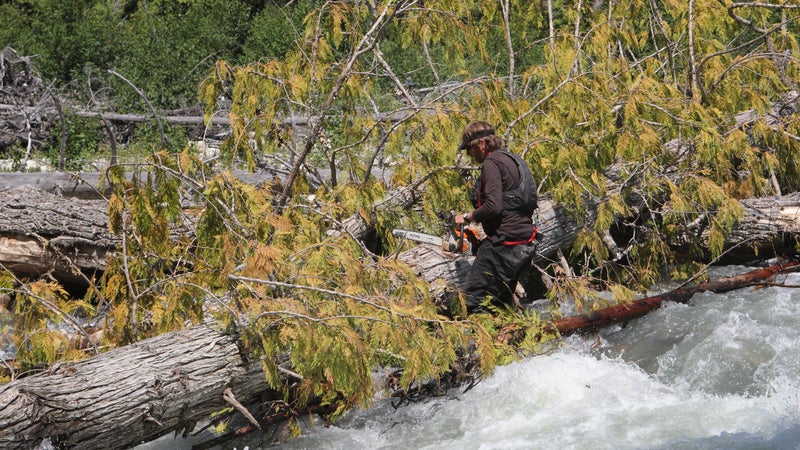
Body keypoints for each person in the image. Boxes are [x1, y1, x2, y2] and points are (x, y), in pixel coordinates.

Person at [454, 120, 538, 314]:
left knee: (472, 303)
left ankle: (476, 342)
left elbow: (493, 206)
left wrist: (467, 217)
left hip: (504, 246)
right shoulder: (514, 160)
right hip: (523, 243)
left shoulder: (491, 163)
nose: (469, 154)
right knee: (500, 305)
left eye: (469, 148)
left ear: (482, 144)